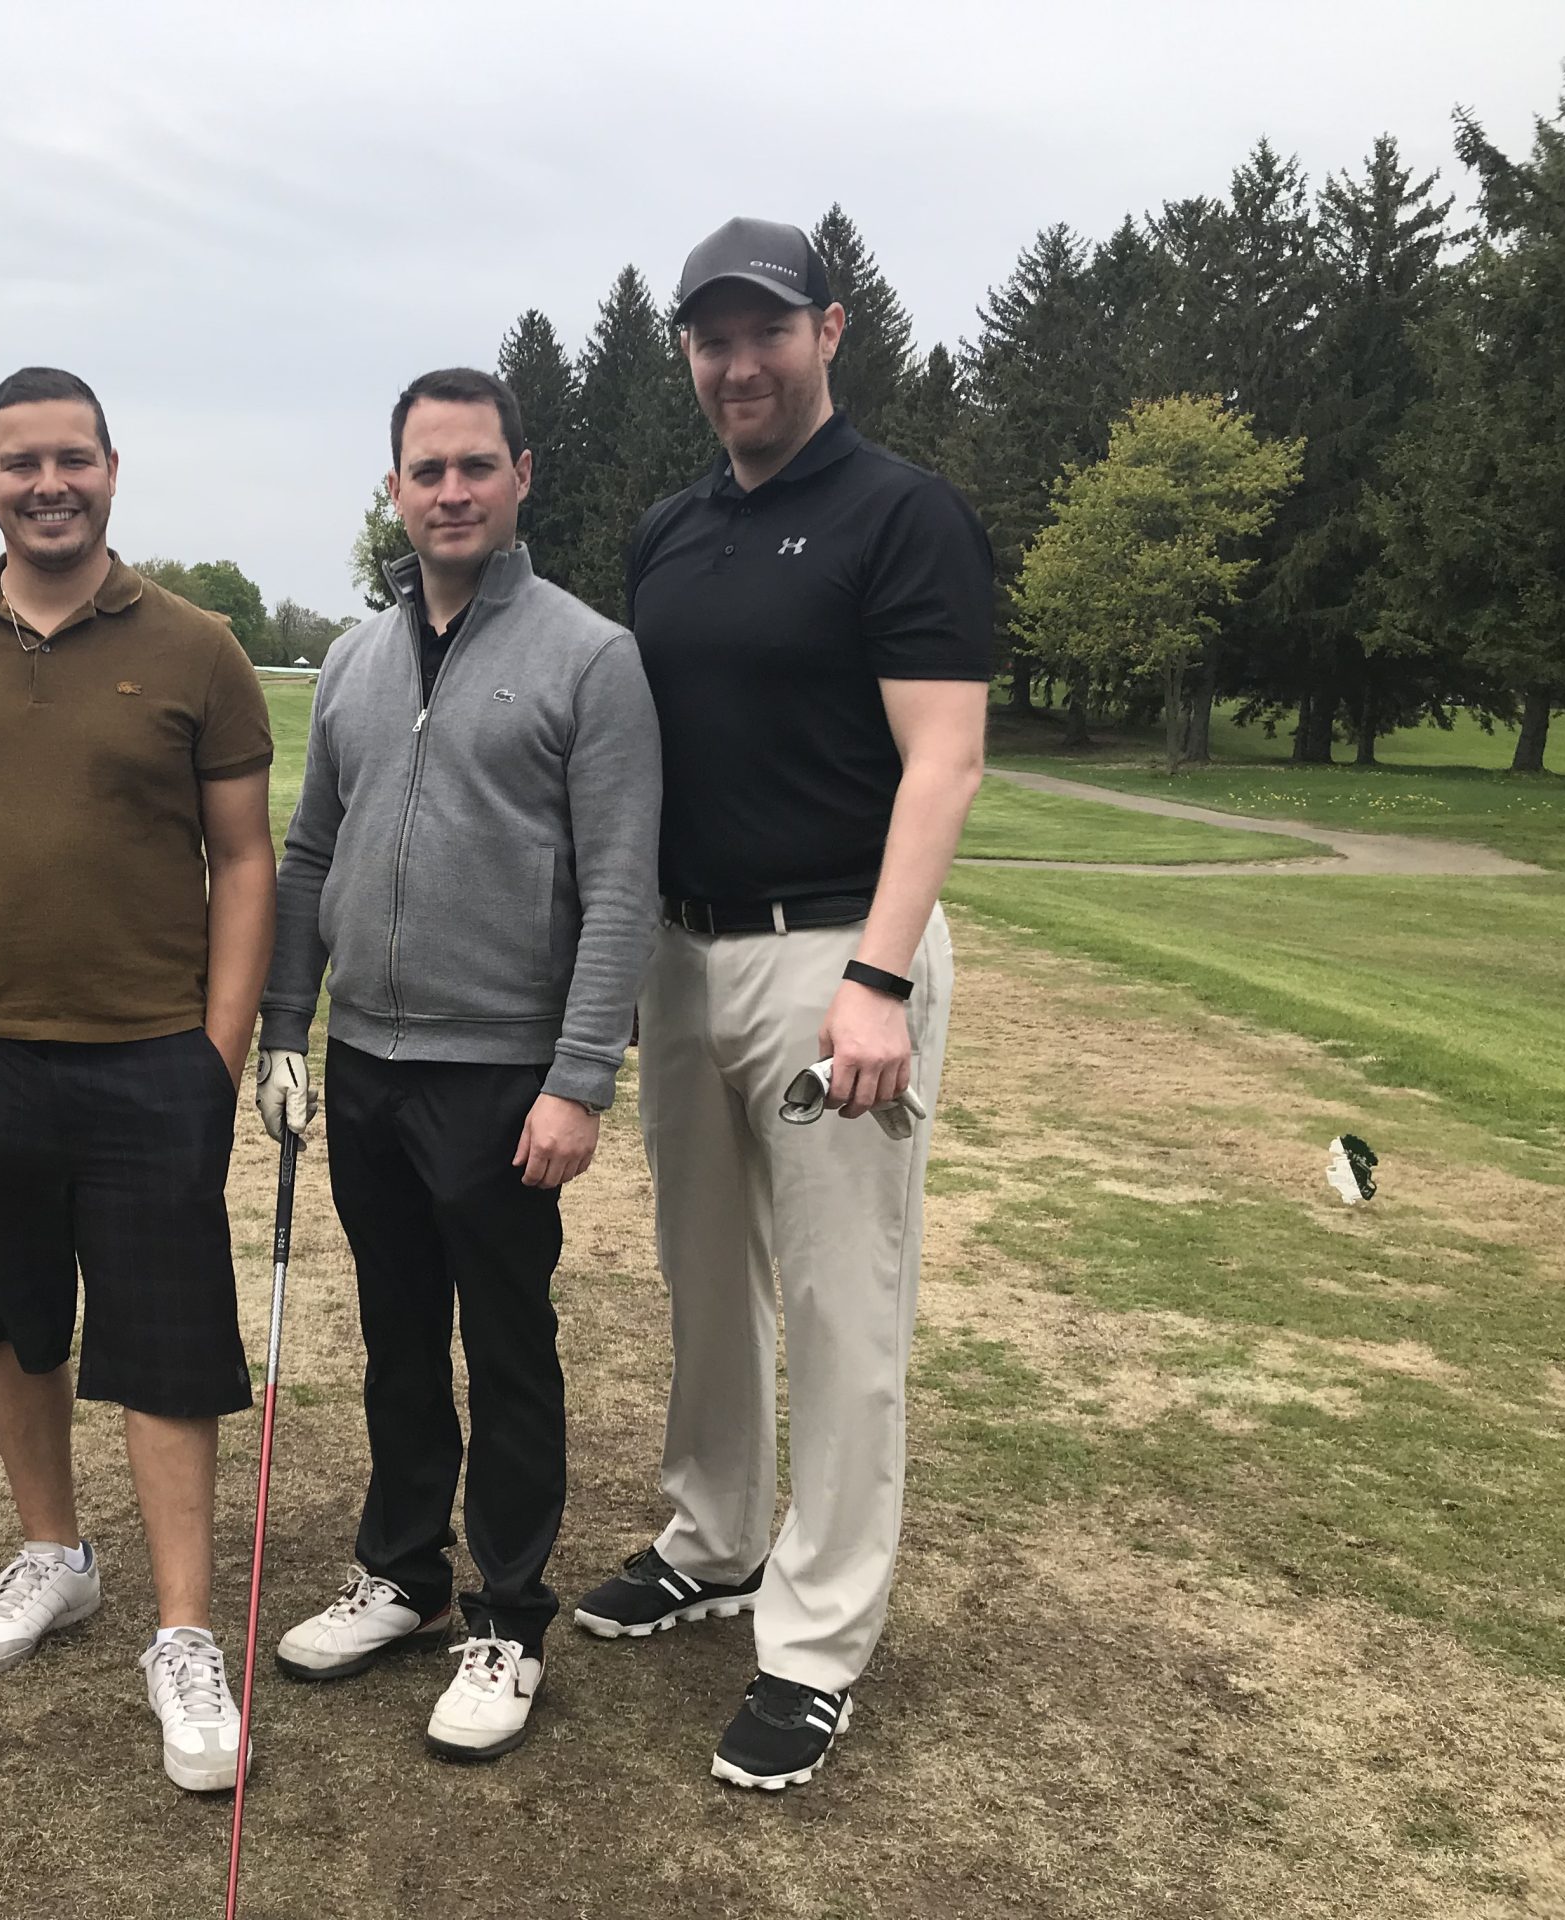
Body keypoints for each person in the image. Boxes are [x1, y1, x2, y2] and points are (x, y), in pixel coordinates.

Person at [572, 216, 993, 1790]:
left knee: (840, 1302)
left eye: (766, 331)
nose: (737, 363)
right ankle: (719, 1538)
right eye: (711, 338)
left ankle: (816, 1639)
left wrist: (879, 977)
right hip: (685, 956)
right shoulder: (670, 531)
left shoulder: (902, 513)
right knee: (705, 1273)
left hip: (836, 958)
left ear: (829, 330)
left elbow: (944, 760)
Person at [0, 368, 277, 1793]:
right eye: (21, 462)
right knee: (11, 1320)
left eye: (72, 459)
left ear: (111, 469)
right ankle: (54, 1554)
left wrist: (218, 1050)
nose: (49, 485)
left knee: (165, 1342)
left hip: (152, 1058)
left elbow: (244, 859)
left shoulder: (199, 648)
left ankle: (184, 1632)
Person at [255, 368, 660, 1761]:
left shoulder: (591, 657)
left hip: (501, 1074)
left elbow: (621, 886)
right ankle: (404, 1572)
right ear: (394, 489)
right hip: (366, 1059)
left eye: (476, 465)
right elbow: (310, 853)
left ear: (521, 476)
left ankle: (509, 1615)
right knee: (397, 1334)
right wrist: (285, 1029)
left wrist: (580, 1077)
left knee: (508, 1343)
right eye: (426, 470)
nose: (451, 492)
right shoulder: (356, 659)